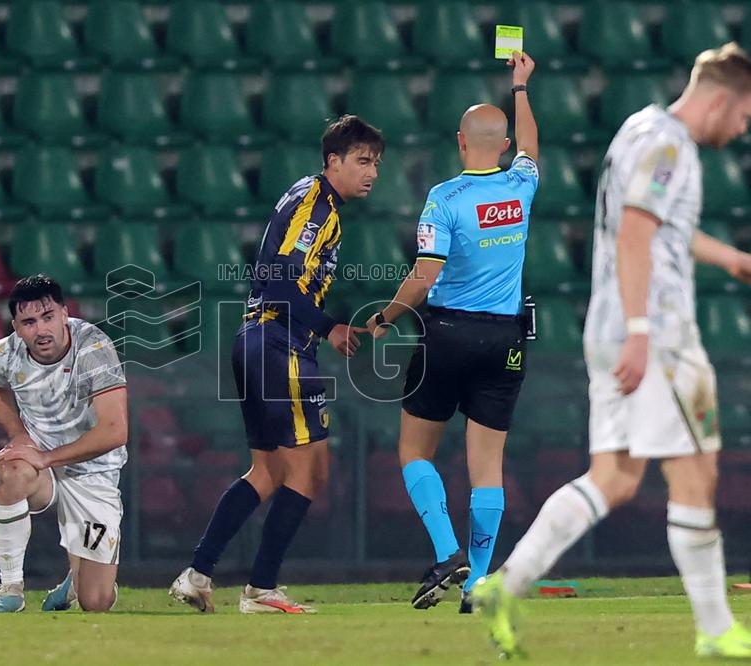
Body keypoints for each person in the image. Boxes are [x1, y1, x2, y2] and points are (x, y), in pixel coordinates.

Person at [472, 42, 751, 660]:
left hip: (609, 325)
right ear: (723, 97)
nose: (741, 129)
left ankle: (505, 586)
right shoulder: (671, 144)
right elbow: (634, 234)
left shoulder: (638, 130)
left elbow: (656, 225)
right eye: (743, 116)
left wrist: (727, 257)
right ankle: (713, 628)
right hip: (656, 331)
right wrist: (642, 330)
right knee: (696, 472)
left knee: (615, 477)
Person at [169, 115, 382, 614]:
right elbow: (284, 282)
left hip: (256, 339)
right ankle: (261, 588)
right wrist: (329, 326)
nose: (372, 172)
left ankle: (198, 575)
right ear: (334, 161)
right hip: (278, 343)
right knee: (310, 472)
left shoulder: (305, 195)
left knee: (266, 471)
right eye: (363, 161)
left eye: (376, 163)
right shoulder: (317, 205)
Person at [365, 51, 538, 614]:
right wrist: (521, 86)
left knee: (415, 449)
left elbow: (424, 274)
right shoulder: (522, 184)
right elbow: (532, 148)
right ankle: (478, 582)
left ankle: (447, 551)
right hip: (506, 339)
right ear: (505, 146)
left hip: (446, 336)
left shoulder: (444, 198)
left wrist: (387, 316)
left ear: (461, 144)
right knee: (487, 465)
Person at [0, 274, 129, 613]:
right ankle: (11, 588)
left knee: (97, 602)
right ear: (15, 326)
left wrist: (47, 456)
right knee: (12, 467)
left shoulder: (93, 350)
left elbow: (115, 431)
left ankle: (78, 579)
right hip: (41, 467)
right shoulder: (6, 353)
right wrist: (18, 435)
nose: (40, 330)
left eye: (48, 317)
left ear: (64, 313)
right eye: (28, 322)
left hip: (93, 475)